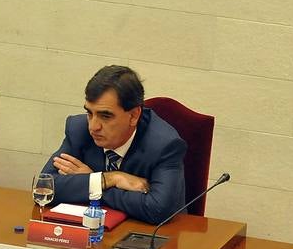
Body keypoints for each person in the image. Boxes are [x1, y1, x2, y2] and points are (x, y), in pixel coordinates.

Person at [41, 65, 185, 225]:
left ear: (133, 116)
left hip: (147, 237)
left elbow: (158, 210)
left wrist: (93, 183)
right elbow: (44, 189)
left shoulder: (164, 145)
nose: (93, 126)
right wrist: (110, 178)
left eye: (105, 116)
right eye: (90, 113)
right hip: (92, 232)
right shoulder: (78, 130)